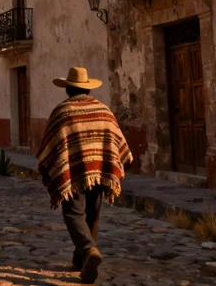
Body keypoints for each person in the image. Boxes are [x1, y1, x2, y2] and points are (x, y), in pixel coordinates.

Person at [36, 66, 133, 284]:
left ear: (68, 89)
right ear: (88, 89)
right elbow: (118, 141)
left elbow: (50, 145)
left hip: (73, 171)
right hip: (100, 169)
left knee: (73, 214)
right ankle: (81, 261)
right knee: (93, 214)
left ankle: (89, 250)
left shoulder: (62, 111)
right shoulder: (103, 110)